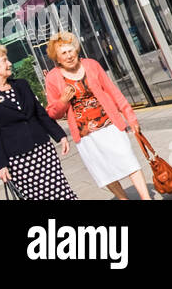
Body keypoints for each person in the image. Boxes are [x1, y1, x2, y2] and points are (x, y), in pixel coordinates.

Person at [43, 31, 151, 200]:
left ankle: (146, 198)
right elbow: (53, 113)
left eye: (71, 50)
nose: (69, 55)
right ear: (56, 57)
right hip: (85, 135)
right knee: (105, 171)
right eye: (63, 53)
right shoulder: (52, 78)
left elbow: (113, 92)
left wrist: (130, 117)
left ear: (77, 50)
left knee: (129, 160)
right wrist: (63, 100)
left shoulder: (91, 65)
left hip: (110, 125)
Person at [0, 44, 77, 199]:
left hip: (43, 149)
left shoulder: (21, 85)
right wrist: (1, 165)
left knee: (61, 190)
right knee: (38, 196)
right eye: (4, 61)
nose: (9, 64)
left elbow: (40, 113)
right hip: (19, 159)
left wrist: (60, 135)